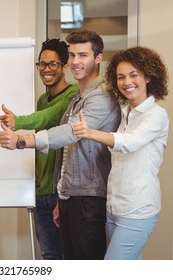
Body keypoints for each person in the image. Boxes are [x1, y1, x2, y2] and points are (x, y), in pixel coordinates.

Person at [0, 29, 121, 260]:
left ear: (98, 58)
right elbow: (68, 153)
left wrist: (22, 140)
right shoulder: (78, 98)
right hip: (70, 196)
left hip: (89, 197)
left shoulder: (101, 96)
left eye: (83, 55)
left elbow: (69, 133)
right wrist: (61, 197)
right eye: (73, 55)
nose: (76, 62)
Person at [73, 46, 169, 260]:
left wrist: (91, 133)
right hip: (115, 208)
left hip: (138, 210)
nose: (127, 82)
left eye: (133, 75)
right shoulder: (125, 113)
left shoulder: (156, 115)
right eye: (121, 77)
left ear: (148, 77)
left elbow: (130, 143)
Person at [0, 38, 78, 260]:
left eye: (53, 64)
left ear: (64, 67)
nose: (46, 69)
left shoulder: (72, 95)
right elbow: (42, 133)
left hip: (60, 192)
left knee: (65, 258)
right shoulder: (42, 98)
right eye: (42, 64)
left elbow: (47, 117)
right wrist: (36, 170)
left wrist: (18, 121)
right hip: (40, 191)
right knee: (48, 255)